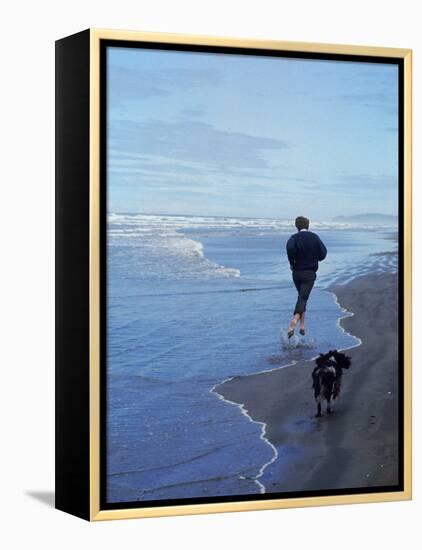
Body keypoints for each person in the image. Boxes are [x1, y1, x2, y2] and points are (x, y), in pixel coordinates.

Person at [286, 216, 327, 338]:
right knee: (303, 298)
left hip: (296, 273)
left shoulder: (293, 238)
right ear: (308, 225)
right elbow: (323, 253)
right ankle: (295, 319)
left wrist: (292, 263)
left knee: (302, 297)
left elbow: (289, 249)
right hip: (309, 273)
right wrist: (315, 258)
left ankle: (302, 325)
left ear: (296, 226)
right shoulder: (314, 237)